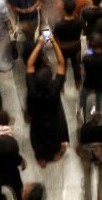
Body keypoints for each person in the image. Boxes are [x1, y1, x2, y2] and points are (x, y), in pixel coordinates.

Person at [26, 35, 69, 167]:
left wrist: (39, 45)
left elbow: (30, 64)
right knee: (55, 136)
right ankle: (56, 153)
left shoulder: (32, 90)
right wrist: (54, 42)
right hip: (53, 119)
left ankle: (41, 159)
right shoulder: (55, 89)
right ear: (51, 80)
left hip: (38, 119)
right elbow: (62, 63)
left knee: (37, 138)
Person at [53, 0, 85, 89]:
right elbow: (84, 32)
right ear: (74, 8)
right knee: (76, 64)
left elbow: (55, 38)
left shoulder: (58, 24)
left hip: (63, 48)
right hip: (75, 47)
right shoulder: (80, 21)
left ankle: (61, 86)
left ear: (64, 9)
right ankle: (77, 84)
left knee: (63, 66)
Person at [80, 33, 102, 119]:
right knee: (99, 98)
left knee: (83, 98)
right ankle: (98, 114)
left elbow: (84, 71)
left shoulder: (86, 58)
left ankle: (82, 115)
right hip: (101, 83)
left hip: (88, 82)